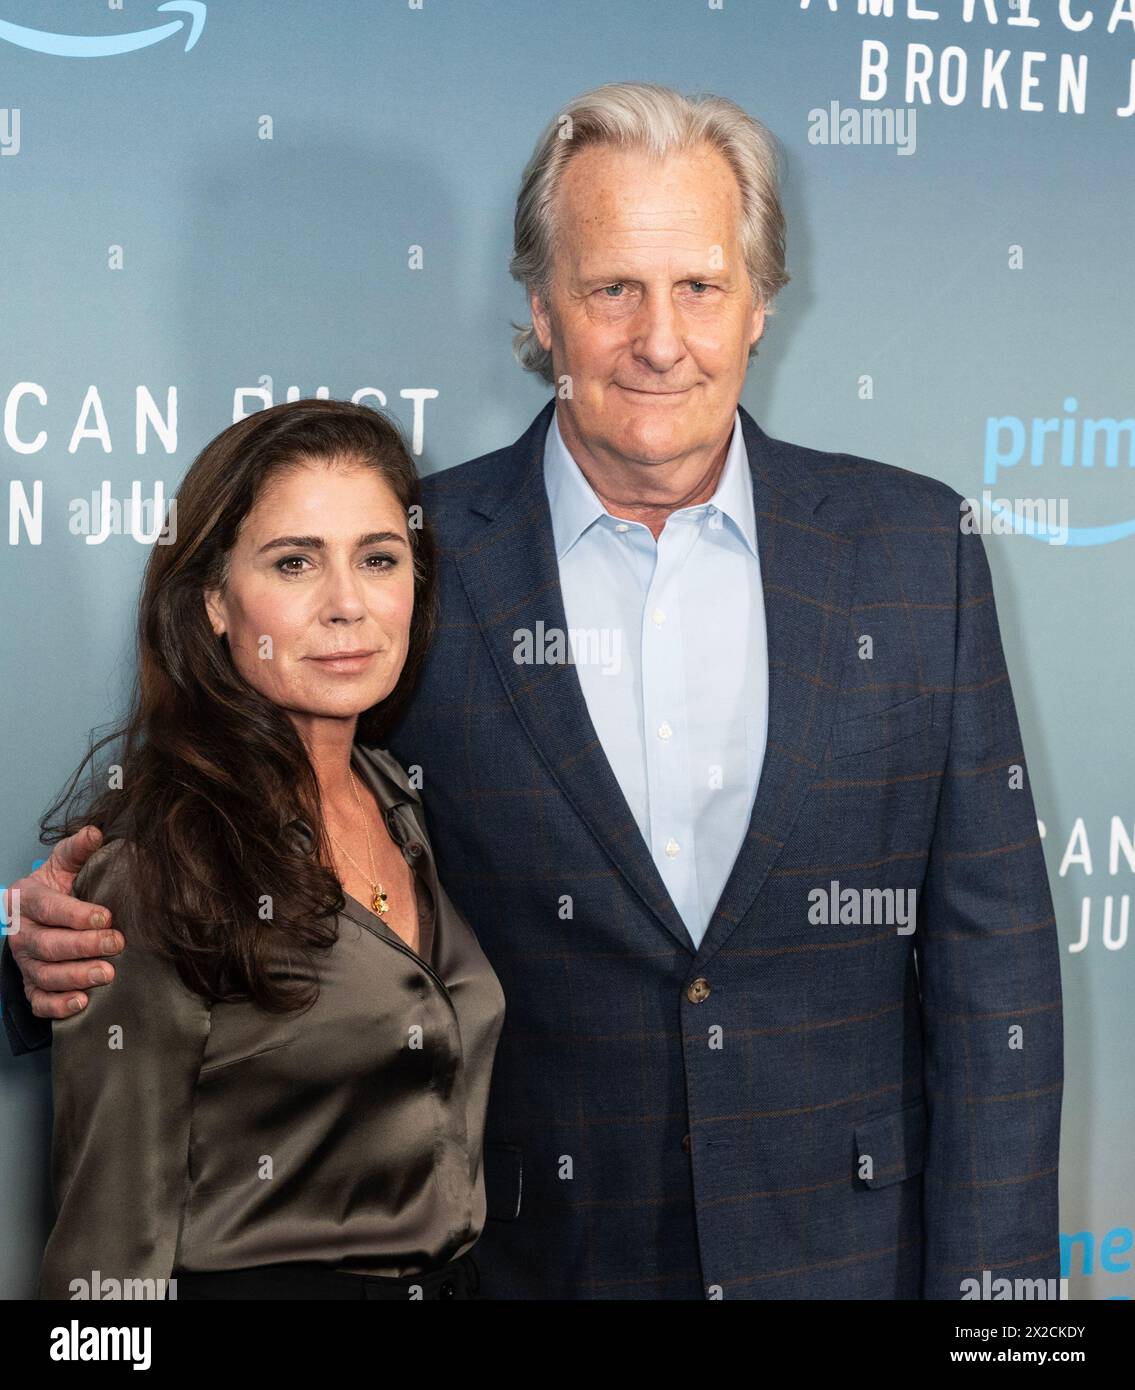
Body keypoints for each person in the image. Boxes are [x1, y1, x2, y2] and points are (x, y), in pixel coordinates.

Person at [4, 82, 1062, 1300]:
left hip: (849, 1263)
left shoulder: (913, 546)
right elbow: (228, 845)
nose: (659, 338)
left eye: (701, 287)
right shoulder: (412, 566)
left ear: (760, 304)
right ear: (540, 311)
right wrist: (42, 952)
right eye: (612, 287)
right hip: (527, 1268)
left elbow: (1001, 973)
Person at [23, 398, 504, 1300]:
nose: (348, 604)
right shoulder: (155, 870)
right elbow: (103, 1258)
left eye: (378, 558)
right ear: (212, 599)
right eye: (294, 563)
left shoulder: (400, 802)